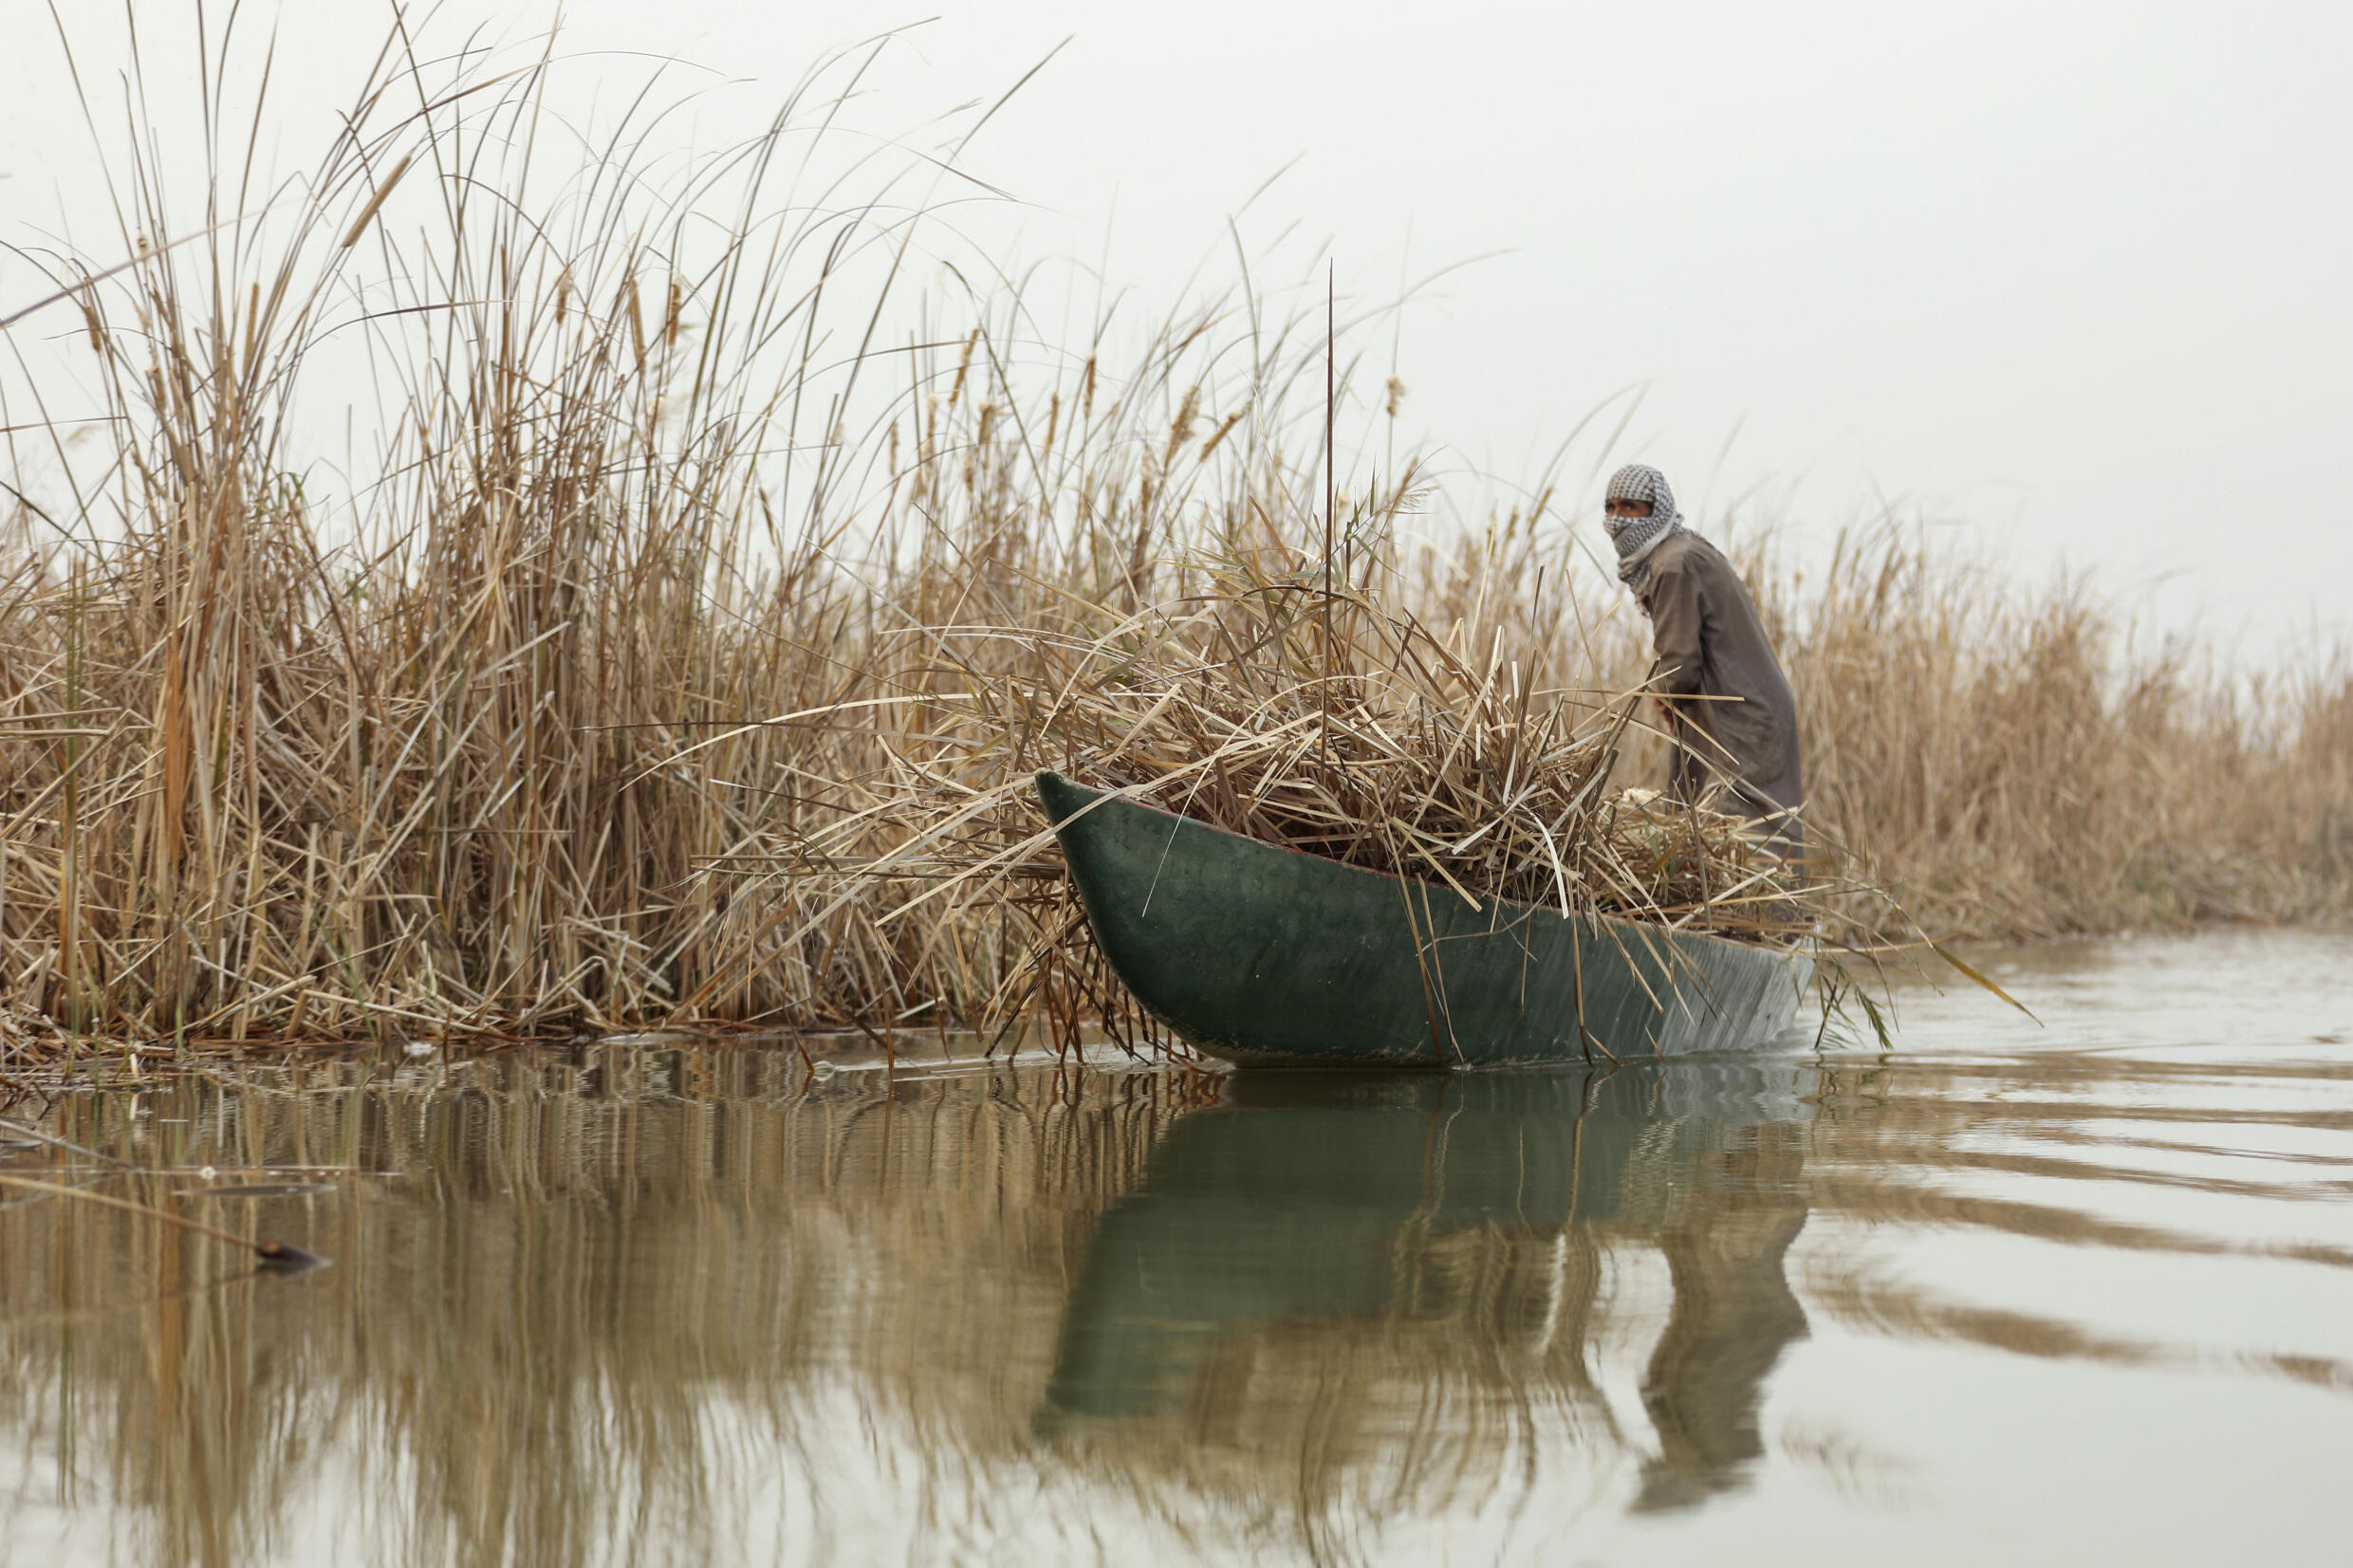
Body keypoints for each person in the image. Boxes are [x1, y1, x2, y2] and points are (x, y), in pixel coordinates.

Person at [1603, 463, 1804, 855]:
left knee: (1748, 840)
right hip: (1737, 715)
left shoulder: (1673, 564)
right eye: (1609, 508)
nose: (1617, 519)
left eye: (1629, 506)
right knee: (1717, 832)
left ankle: (1778, 917)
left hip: (1745, 719)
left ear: (1655, 510)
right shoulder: (1679, 553)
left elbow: (1679, 663)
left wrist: (1662, 695)